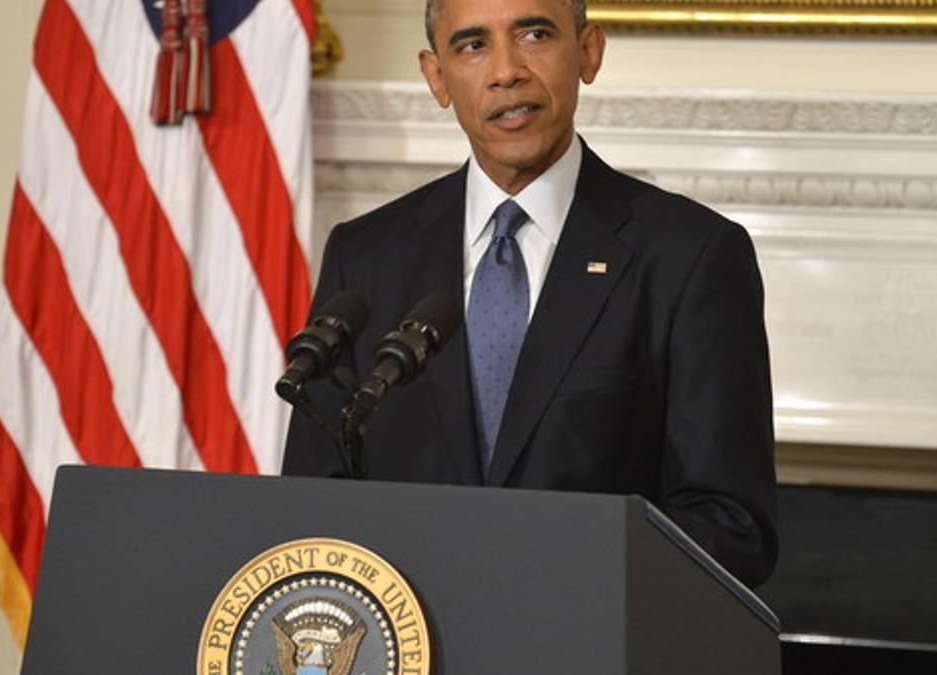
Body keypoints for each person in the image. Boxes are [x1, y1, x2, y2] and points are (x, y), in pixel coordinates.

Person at [282, 0, 778, 588]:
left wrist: (544, 572)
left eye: (535, 34)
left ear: (589, 52)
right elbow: (313, 507)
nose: (506, 70)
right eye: (472, 45)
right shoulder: (365, 256)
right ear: (436, 77)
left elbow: (732, 527)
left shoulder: (689, 257)